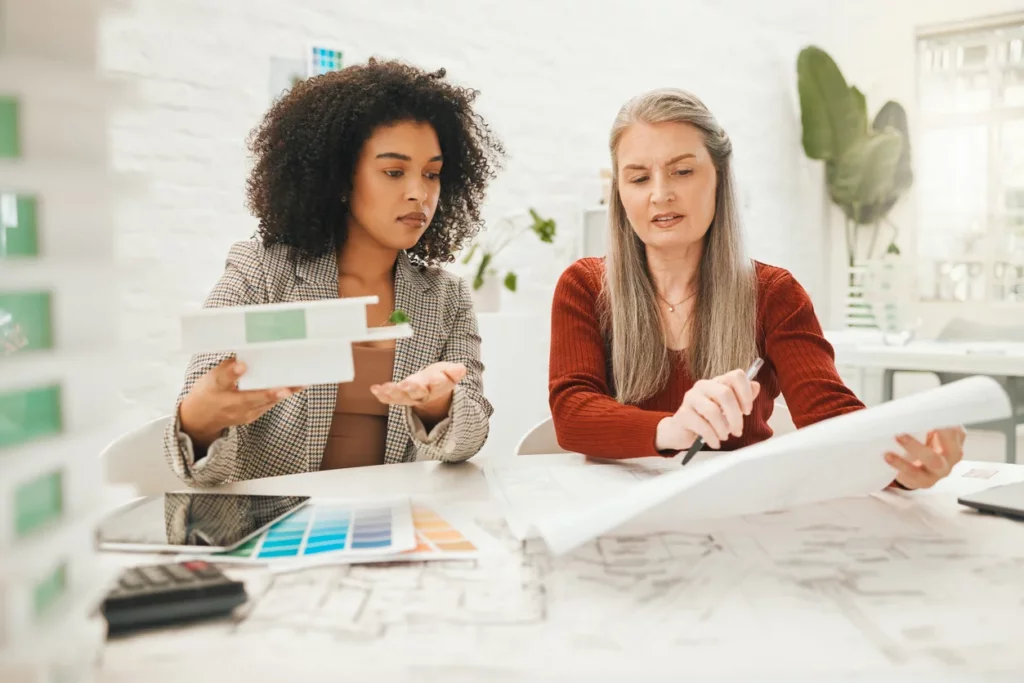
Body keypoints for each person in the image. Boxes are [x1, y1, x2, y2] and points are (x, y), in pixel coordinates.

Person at [548, 88, 964, 490]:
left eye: (683, 171)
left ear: (719, 178)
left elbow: (830, 417)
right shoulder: (584, 286)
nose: (660, 194)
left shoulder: (774, 294)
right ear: (619, 192)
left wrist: (902, 462)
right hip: (613, 513)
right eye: (638, 178)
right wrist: (673, 427)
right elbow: (572, 414)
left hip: (737, 513)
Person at [164, 59, 504, 487]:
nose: (419, 193)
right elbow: (193, 455)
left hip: (395, 521)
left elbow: (469, 441)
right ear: (341, 180)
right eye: (394, 172)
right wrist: (199, 422)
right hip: (280, 528)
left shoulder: (446, 297)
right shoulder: (262, 272)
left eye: (432, 174)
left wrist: (439, 406)